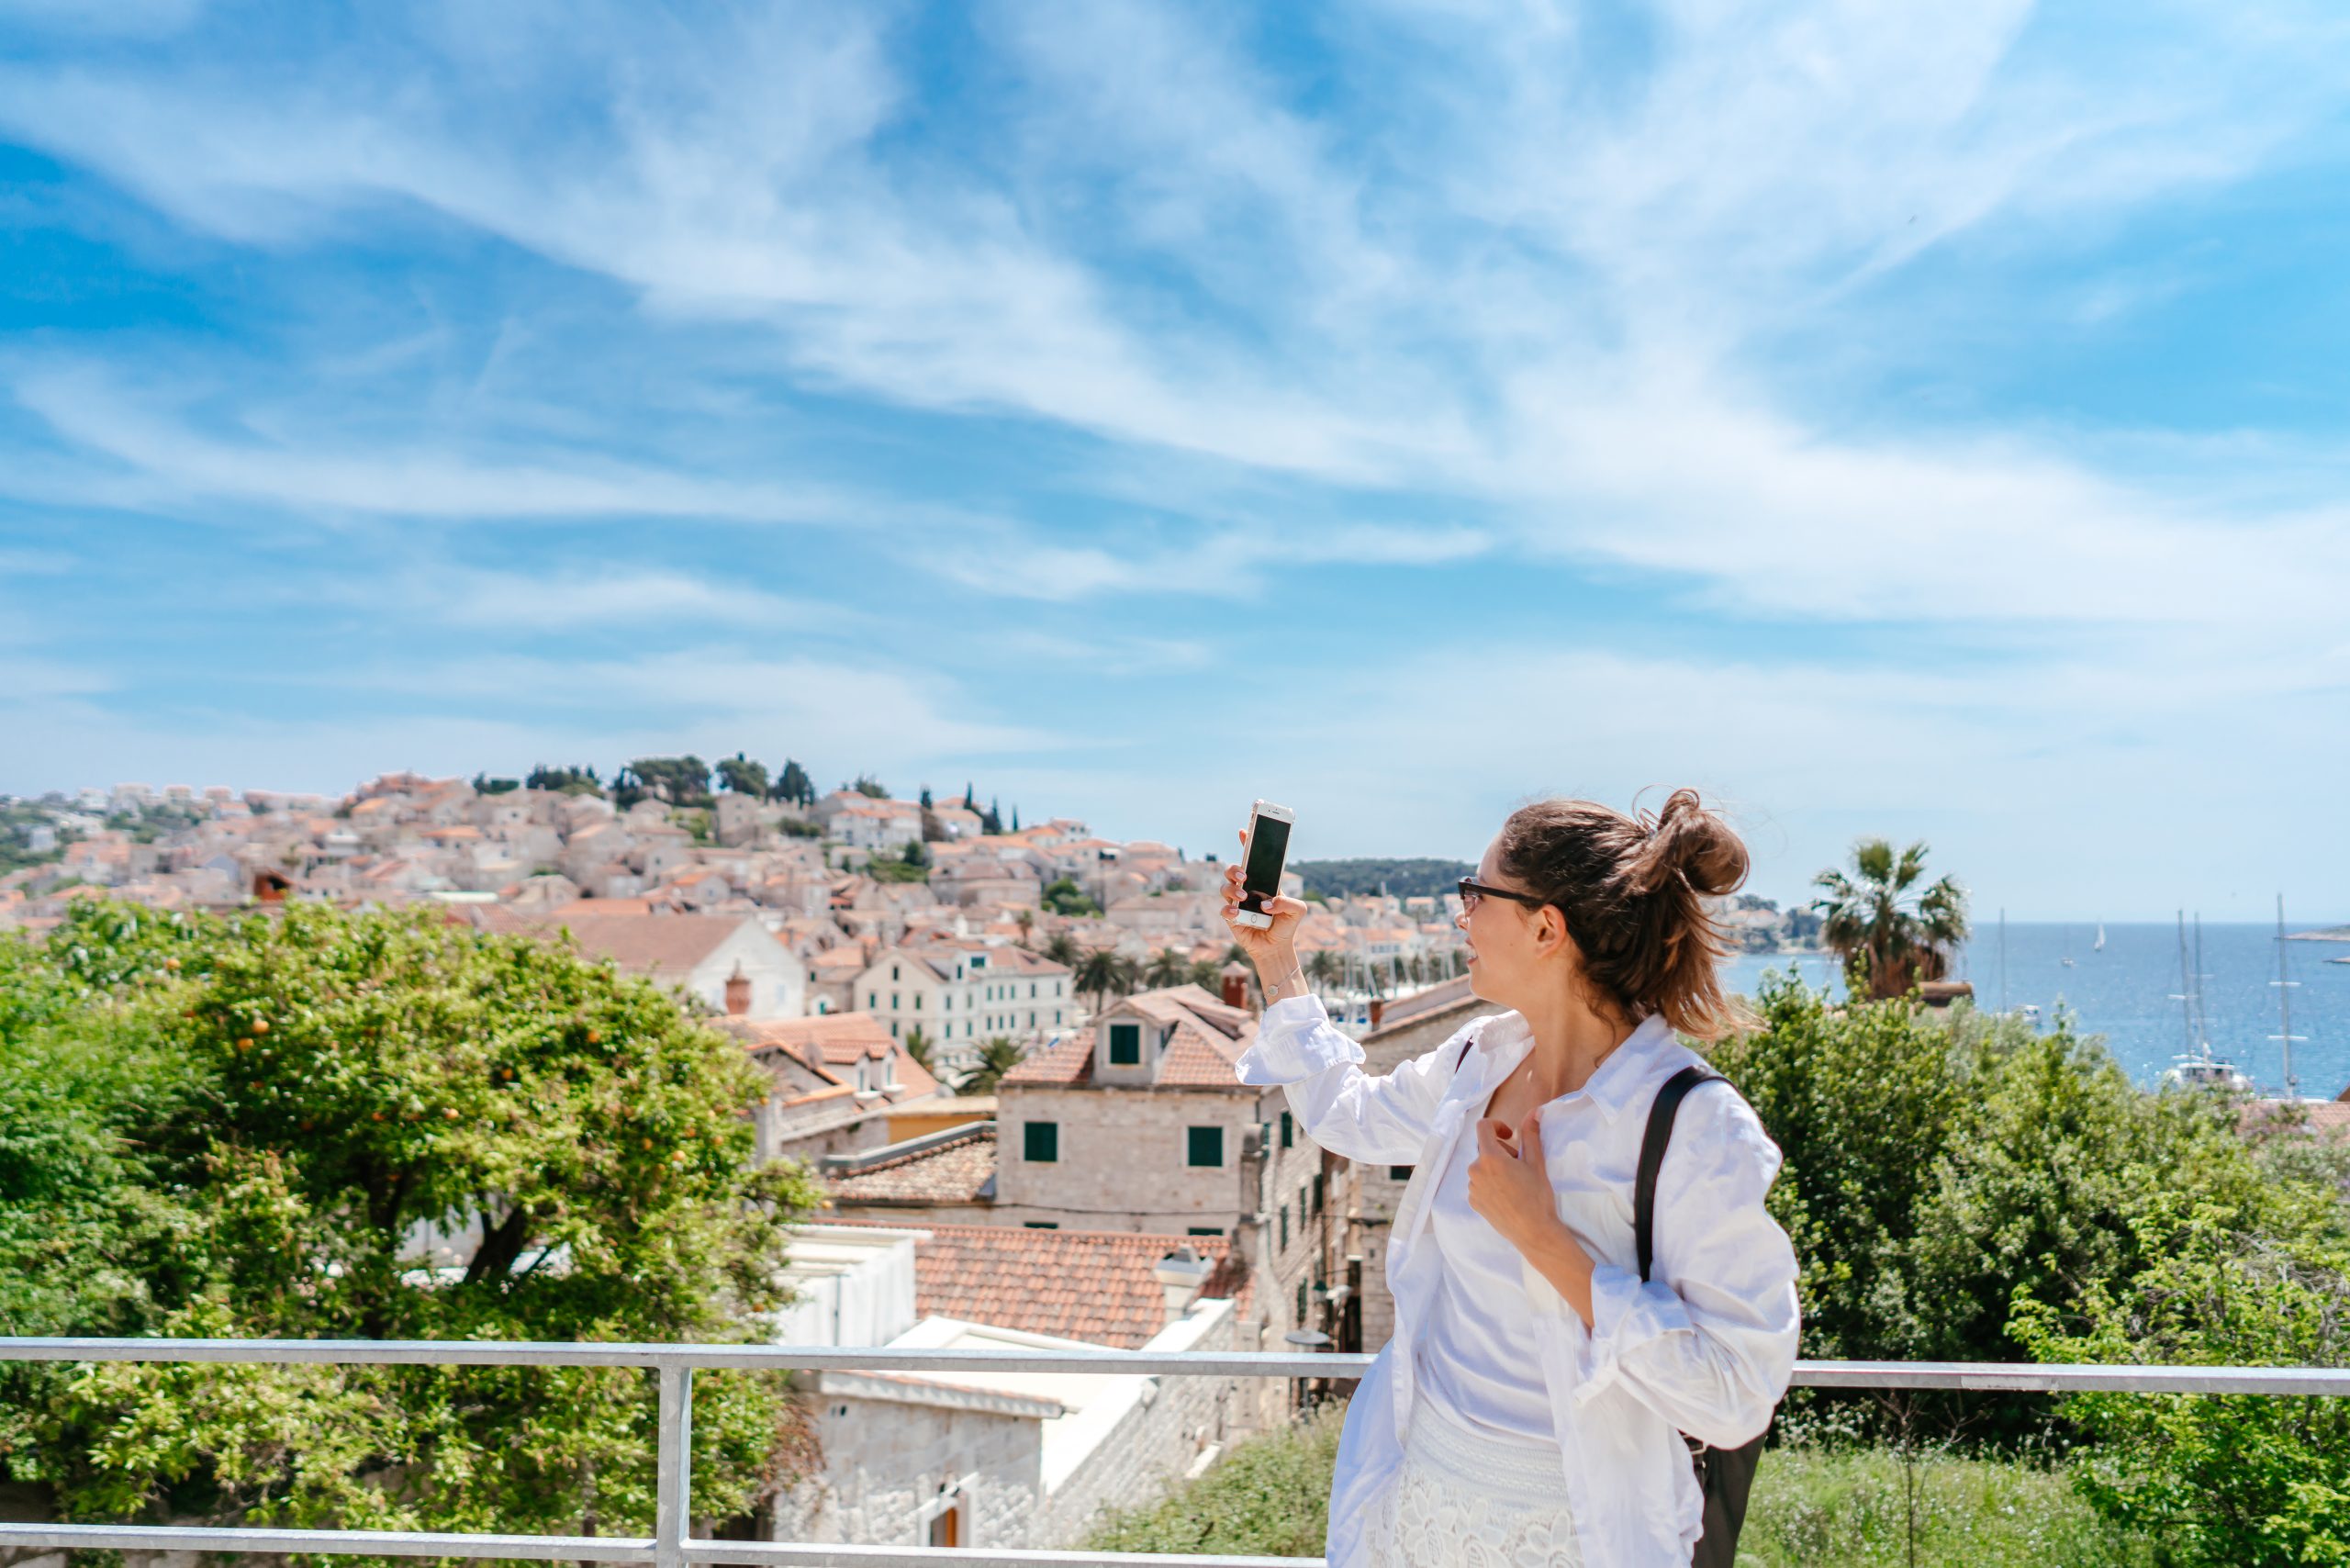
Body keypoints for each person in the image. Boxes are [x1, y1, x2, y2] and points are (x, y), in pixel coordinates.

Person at [1225, 790, 1800, 1567]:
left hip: (1571, 1533)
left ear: (1545, 927)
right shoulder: (1479, 1059)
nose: (1461, 917)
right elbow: (1349, 1116)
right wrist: (1275, 960)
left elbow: (1735, 1396)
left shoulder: (1693, 1125)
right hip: (1416, 1508)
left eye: (1475, 894)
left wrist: (1546, 1242)